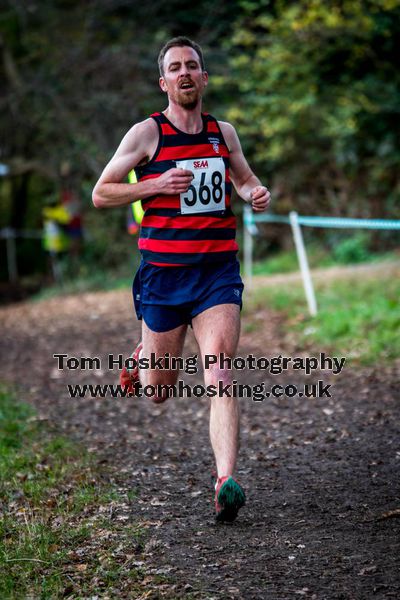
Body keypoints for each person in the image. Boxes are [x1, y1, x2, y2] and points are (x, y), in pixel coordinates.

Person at [92, 37, 271, 522]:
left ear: (204, 77)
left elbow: (244, 179)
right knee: (157, 392)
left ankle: (226, 481)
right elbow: (101, 193)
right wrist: (153, 184)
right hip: (163, 278)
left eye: (193, 65)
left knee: (219, 369)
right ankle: (142, 355)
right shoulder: (146, 134)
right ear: (164, 82)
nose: (185, 73)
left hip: (216, 272)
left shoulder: (222, 132)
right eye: (176, 67)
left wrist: (256, 192)